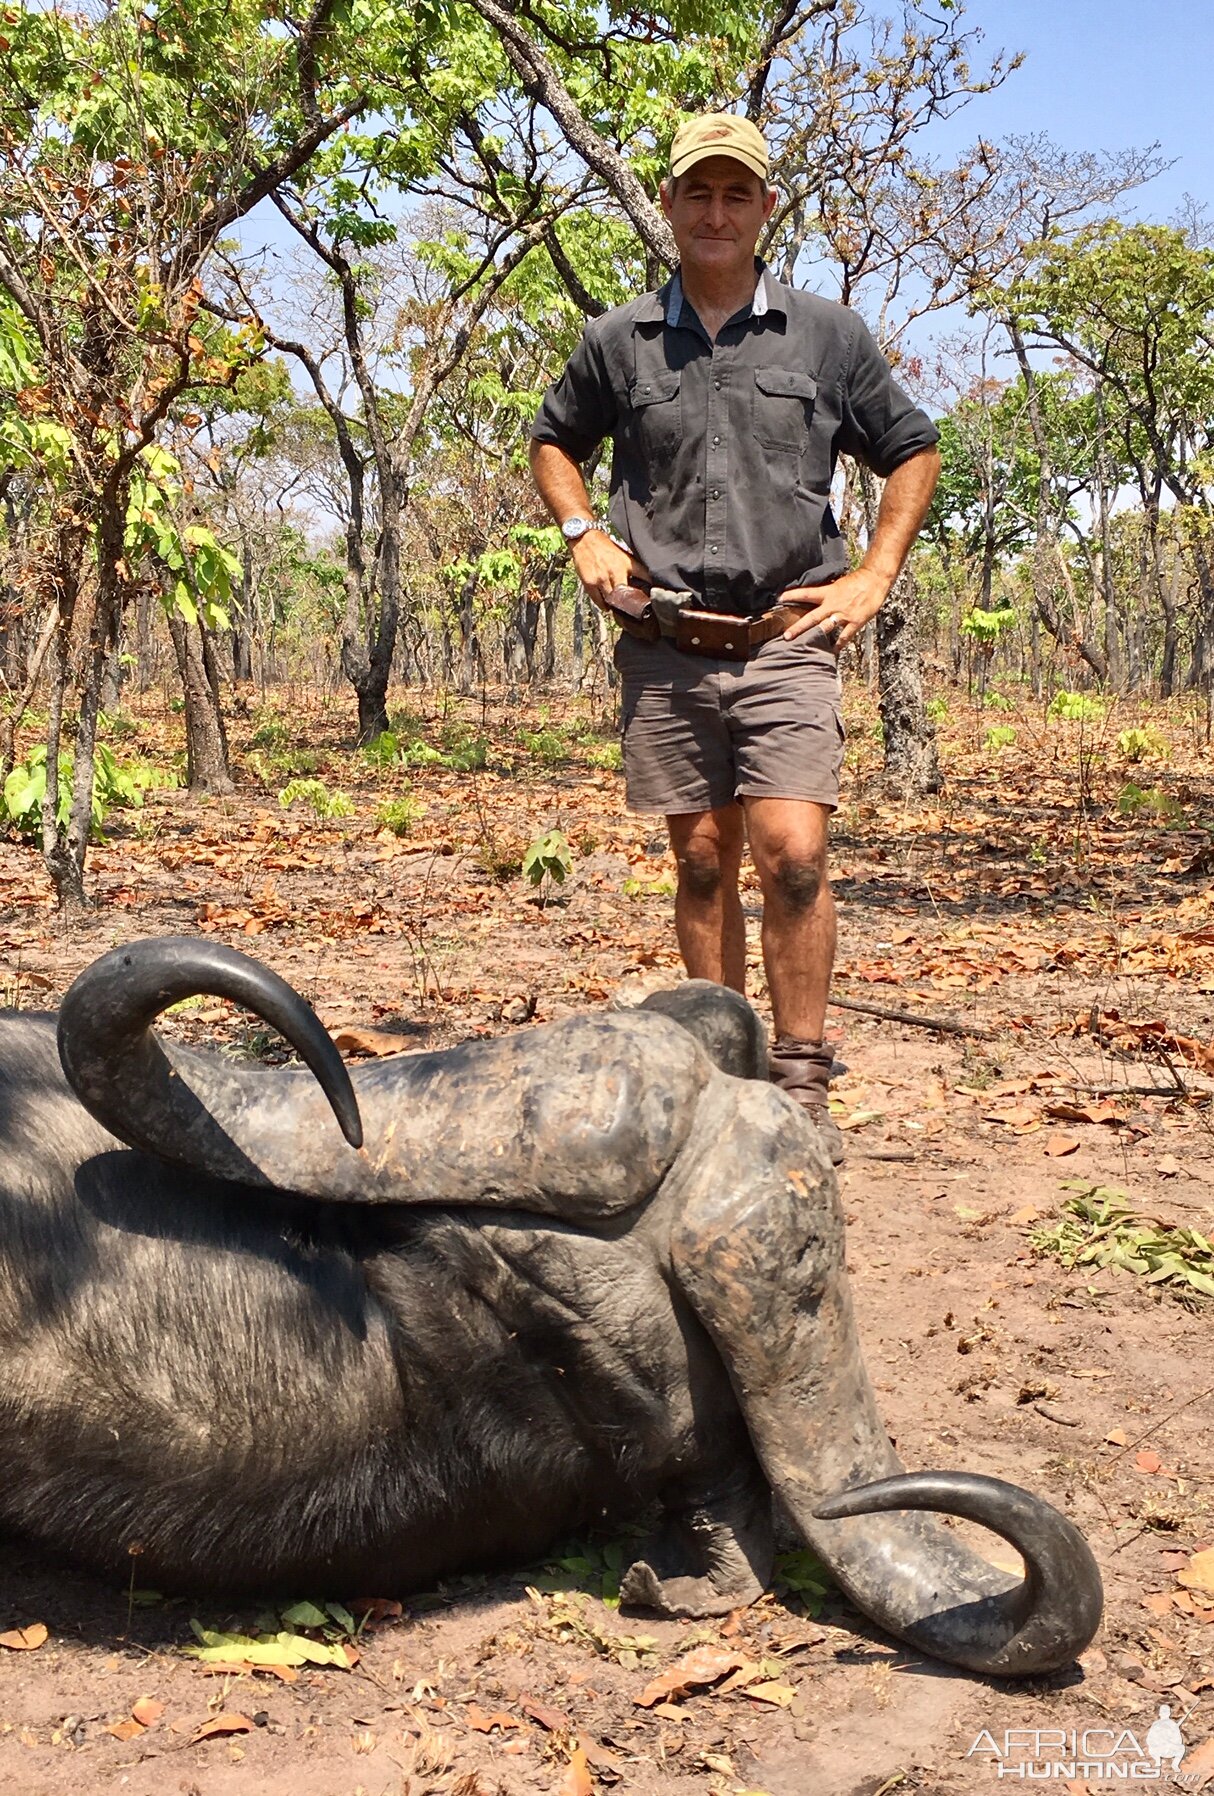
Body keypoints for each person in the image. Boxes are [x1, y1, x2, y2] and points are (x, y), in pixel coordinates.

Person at [529, 113, 941, 1163]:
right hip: (667, 643)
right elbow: (551, 442)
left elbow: (911, 448)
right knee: (704, 861)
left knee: (792, 856)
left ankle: (798, 1083)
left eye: (735, 194)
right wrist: (583, 534)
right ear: (667, 206)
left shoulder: (824, 336)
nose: (714, 213)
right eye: (695, 194)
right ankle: (720, 1079)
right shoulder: (616, 341)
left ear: (764, 209)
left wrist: (874, 574)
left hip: (786, 632)